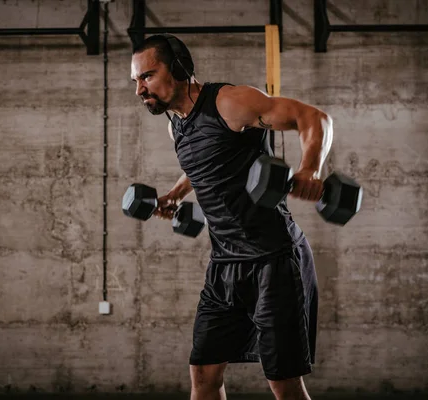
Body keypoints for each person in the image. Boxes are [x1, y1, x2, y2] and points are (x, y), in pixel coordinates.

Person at [130, 34, 333, 400]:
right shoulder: (175, 123)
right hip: (225, 264)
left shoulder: (230, 102)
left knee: (282, 381)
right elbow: (205, 161)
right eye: (136, 82)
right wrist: (175, 194)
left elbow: (314, 118)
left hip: (274, 259)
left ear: (177, 68)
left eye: (147, 76)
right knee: (204, 374)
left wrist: (310, 169)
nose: (140, 89)